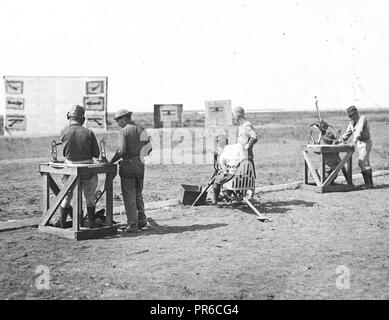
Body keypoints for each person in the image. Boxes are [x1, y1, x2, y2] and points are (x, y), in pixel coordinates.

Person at [54, 105, 100, 228]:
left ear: (69, 117)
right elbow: (96, 154)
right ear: (82, 119)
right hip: (87, 170)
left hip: (70, 170)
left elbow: (64, 153)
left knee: (67, 197)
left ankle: (62, 223)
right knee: (90, 198)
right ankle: (91, 223)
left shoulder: (64, 132)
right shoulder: (89, 132)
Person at [109, 109, 151, 233]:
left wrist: (111, 161)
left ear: (124, 118)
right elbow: (149, 149)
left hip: (128, 165)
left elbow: (121, 151)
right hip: (140, 164)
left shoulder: (124, 131)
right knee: (138, 193)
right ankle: (142, 220)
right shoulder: (142, 129)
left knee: (129, 195)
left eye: (118, 120)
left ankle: (132, 224)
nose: (117, 123)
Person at [340, 105, 373, 188]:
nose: (350, 117)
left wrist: (353, 142)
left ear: (356, 113)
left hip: (366, 143)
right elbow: (347, 133)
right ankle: (370, 184)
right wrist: (339, 140)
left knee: (360, 162)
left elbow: (358, 131)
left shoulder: (362, 119)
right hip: (360, 143)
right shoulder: (352, 122)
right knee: (366, 164)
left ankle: (368, 184)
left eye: (351, 115)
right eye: (349, 116)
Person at [212, 139, 248, 205]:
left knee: (217, 180)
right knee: (229, 178)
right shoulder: (235, 149)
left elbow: (224, 170)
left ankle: (215, 199)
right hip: (243, 178)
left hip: (232, 178)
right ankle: (229, 196)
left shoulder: (224, 152)